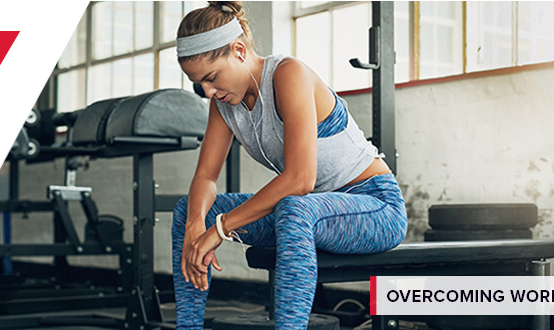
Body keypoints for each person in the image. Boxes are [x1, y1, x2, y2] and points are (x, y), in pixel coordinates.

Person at [171, 2, 408, 328]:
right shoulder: (223, 105)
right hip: (308, 211)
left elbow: (300, 179)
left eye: (211, 78)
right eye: (200, 84)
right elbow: (205, 177)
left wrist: (220, 229)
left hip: (376, 207)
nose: (209, 91)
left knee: (294, 207)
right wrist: (196, 225)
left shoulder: (287, 74)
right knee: (189, 210)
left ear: (238, 51)